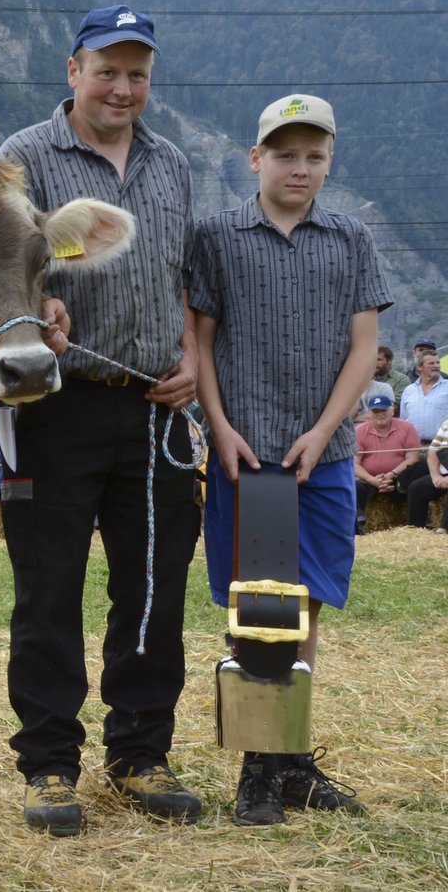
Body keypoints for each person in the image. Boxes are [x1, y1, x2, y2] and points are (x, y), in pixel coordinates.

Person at [0, 4, 203, 836]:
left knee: (152, 590)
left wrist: (189, 354)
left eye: (137, 73)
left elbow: (182, 274)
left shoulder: (174, 164)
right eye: (107, 70)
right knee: (48, 591)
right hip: (57, 405)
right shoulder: (24, 156)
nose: (123, 87)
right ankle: (49, 765)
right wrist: (35, 301)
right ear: (72, 70)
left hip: (156, 407)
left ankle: (140, 755)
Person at [191, 93, 390, 826]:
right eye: (284, 153)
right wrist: (219, 428)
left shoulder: (351, 239)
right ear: (256, 159)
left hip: (324, 456)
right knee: (256, 606)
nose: (299, 167)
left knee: (304, 605)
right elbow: (200, 343)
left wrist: (323, 429)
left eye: (314, 155)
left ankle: (289, 759)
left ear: (329, 162)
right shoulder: (216, 237)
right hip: (246, 456)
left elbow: (364, 348)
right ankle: (257, 768)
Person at [352, 394, 419, 531]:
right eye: (376, 411)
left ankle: (413, 526)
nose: (380, 414)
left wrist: (391, 475)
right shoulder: (359, 431)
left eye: (384, 410)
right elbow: (354, 463)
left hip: (399, 478)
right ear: (369, 413)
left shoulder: (407, 428)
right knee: (353, 486)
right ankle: (359, 523)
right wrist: (372, 480)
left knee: (415, 482)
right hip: (369, 479)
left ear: (392, 410)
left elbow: (413, 458)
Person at [397, 417, 448, 531]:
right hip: (443, 473)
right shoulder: (446, 423)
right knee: (417, 487)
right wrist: (435, 476)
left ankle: (444, 529)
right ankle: (415, 529)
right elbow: (433, 451)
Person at [399, 351, 448, 445]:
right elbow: (403, 420)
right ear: (419, 367)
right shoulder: (409, 390)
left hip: (443, 448)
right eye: (431, 363)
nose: (436, 366)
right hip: (414, 447)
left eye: (438, 363)